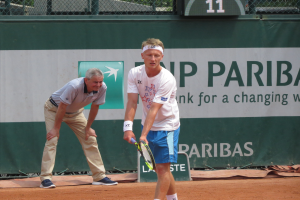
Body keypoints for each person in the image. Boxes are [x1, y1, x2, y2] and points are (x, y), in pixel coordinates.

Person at [40, 68, 118, 188]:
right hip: (54, 110)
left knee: (90, 138)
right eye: (95, 82)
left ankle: (99, 176)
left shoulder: (102, 88)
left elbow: (95, 107)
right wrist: (56, 128)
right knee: (52, 140)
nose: (98, 85)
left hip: (75, 113)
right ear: (86, 80)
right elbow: (62, 107)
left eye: (100, 82)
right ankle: (45, 178)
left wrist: (88, 127)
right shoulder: (74, 86)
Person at [123, 38, 180, 200]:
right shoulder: (134, 73)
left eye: (156, 55)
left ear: (162, 56)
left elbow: (154, 108)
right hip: (147, 125)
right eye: (149, 55)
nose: (153, 59)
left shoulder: (167, 78)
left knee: (162, 169)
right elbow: (133, 102)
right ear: (142, 55)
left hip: (168, 126)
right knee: (160, 170)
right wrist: (127, 127)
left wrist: (142, 136)